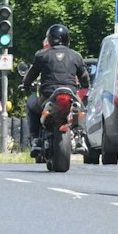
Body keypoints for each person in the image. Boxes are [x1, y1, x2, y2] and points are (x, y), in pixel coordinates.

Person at [25, 24, 89, 152]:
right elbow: (84, 76)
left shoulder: (42, 55)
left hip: (48, 95)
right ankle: (79, 137)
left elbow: (31, 74)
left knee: (31, 104)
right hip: (70, 93)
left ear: (49, 39)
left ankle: (36, 138)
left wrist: (26, 85)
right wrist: (86, 85)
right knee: (81, 107)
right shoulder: (76, 56)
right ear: (67, 38)